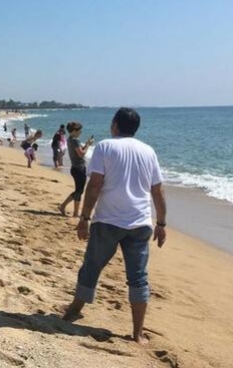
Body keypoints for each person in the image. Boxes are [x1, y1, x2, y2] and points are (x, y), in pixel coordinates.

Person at [61, 108, 167, 345]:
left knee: (92, 266)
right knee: (138, 277)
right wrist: (161, 223)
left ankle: (74, 310)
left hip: (107, 221)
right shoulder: (148, 151)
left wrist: (84, 217)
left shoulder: (105, 147)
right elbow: (157, 190)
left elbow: (95, 185)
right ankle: (137, 333)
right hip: (140, 223)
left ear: (115, 125)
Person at [58, 122, 94, 217]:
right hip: (79, 168)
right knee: (79, 191)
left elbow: (79, 151)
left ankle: (64, 206)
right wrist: (88, 145)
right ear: (74, 131)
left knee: (79, 191)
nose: (80, 132)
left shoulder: (70, 139)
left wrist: (86, 144)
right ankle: (74, 212)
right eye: (79, 130)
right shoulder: (75, 141)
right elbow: (81, 154)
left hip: (75, 168)